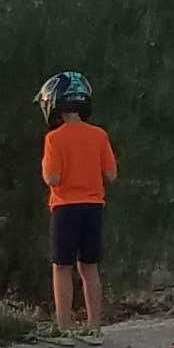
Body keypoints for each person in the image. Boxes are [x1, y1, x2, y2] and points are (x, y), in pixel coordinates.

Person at [38, 73, 116, 327]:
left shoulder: (54, 138)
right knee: (89, 267)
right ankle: (94, 326)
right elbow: (111, 174)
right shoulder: (99, 135)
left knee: (62, 266)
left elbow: (52, 177)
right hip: (93, 207)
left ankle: (64, 325)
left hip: (65, 207)